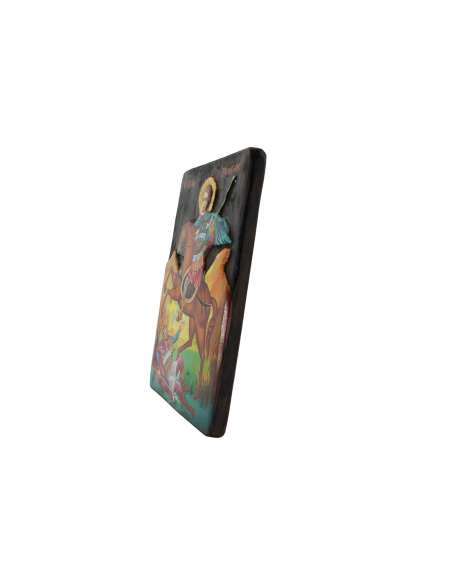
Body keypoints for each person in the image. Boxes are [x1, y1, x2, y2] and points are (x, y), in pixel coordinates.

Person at [152, 322, 195, 418]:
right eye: (164, 333)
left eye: (166, 332)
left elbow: (174, 338)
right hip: (167, 376)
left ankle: (184, 385)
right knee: (177, 386)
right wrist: (159, 370)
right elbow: (158, 365)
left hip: (172, 367)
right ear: (162, 335)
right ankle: (189, 408)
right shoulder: (159, 349)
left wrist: (180, 329)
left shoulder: (168, 341)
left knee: (180, 359)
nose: (166, 335)